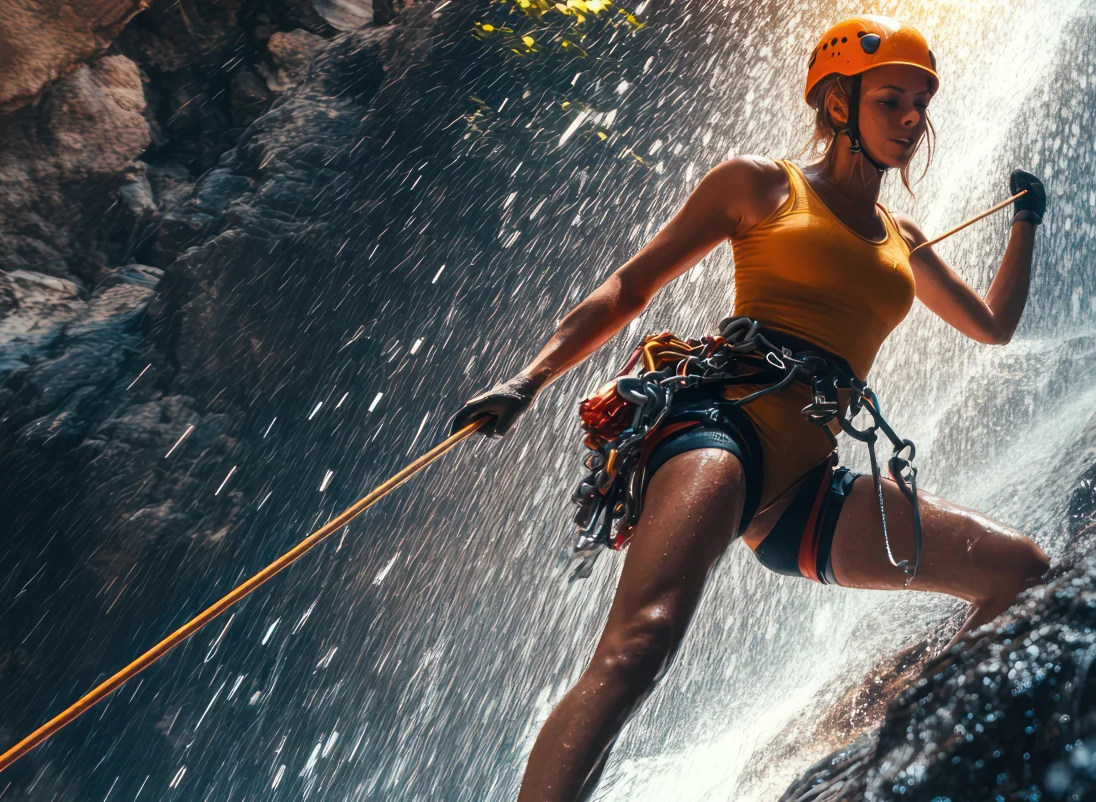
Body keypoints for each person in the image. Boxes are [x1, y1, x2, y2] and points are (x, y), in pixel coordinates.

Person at [449, 15, 1051, 801]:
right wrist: (529, 380)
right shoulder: (762, 184)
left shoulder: (902, 236)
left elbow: (992, 328)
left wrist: (1025, 224)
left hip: (808, 483)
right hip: (721, 427)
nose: (913, 120)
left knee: (1019, 573)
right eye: (892, 101)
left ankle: (899, 758)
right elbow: (633, 286)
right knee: (643, 643)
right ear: (839, 106)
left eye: (921, 105)